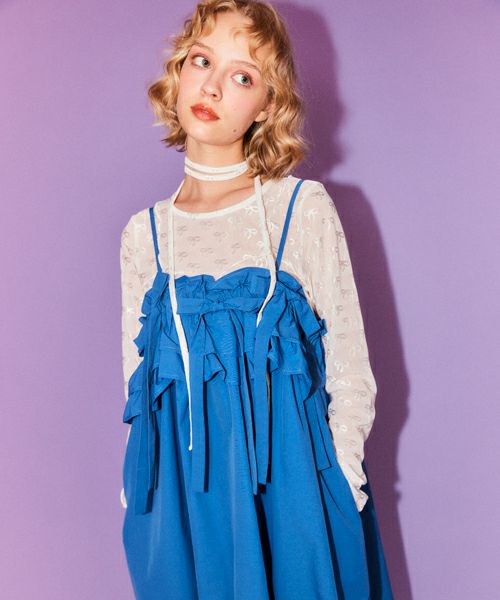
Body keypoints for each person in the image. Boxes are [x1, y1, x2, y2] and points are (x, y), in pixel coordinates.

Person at [119, 1, 393, 598]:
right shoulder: (145, 234)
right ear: (178, 71)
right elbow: (138, 382)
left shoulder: (301, 209)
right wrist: (138, 494)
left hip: (293, 492)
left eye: (242, 75)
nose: (212, 86)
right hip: (184, 501)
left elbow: (349, 367)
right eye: (202, 61)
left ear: (268, 104)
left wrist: (340, 484)